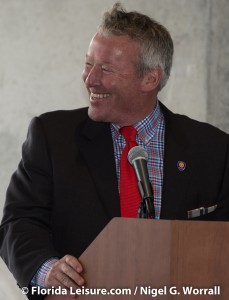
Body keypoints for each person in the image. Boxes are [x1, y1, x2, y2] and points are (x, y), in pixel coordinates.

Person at [1, 2, 229, 300]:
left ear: (150, 79)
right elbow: (19, 222)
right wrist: (48, 271)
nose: (90, 79)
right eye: (88, 64)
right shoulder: (52, 136)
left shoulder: (212, 148)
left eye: (105, 69)